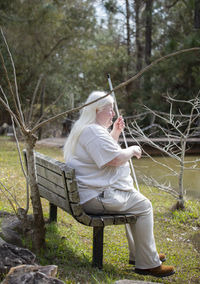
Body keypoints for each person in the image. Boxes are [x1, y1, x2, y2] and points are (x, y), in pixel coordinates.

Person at [64, 91, 175, 278]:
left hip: (89, 193)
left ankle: (141, 254)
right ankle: (147, 263)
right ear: (97, 109)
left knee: (136, 203)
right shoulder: (93, 131)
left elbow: (101, 154)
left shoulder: (85, 128)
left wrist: (115, 132)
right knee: (144, 206)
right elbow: (114, 159)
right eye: (110, 109)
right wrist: (131, 150)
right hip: (95, 197)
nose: (113, 113)